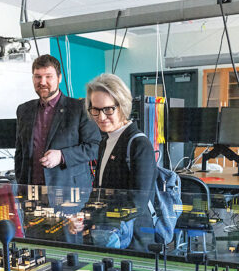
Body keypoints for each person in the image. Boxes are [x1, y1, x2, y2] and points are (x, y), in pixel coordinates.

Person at [85, 73, 156, 250]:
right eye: (95, 109)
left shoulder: (139, 144)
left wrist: (97, 218)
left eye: (108, 109)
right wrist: (84, 217)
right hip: (107, 231)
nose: (101, 117)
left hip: (134, 239)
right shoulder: (105, 141)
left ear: (122, 106)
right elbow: (100, 191)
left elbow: (137, 202)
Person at [14, 54, 100, 191]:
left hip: (69, 191)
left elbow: (95, 147)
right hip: (31, 192)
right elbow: (20, 151)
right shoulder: (24, 110)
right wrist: (20, 182)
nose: (42, 82)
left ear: (59, 78)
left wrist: (62, 156)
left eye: (48, 76)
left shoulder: (79, 108)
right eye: (37, 77)